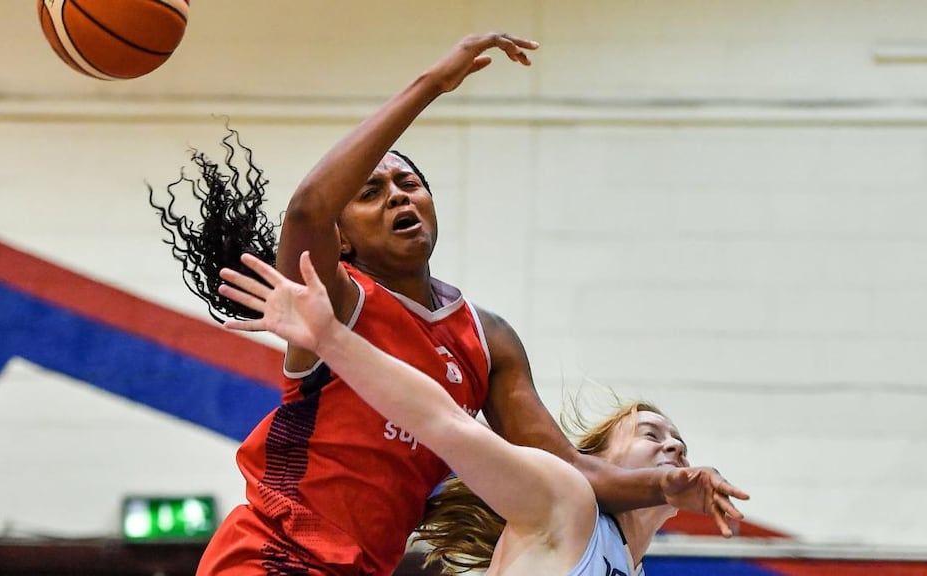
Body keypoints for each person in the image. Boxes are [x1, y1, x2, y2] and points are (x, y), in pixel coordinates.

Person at [150, 32, 748, 576]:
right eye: (370, 192)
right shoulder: (329, 298)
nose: (397, 197)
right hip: (274, 552)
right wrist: (432, 84)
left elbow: (572, 473)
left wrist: (670, 483)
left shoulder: (487, 338)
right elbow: (307, 209)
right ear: (343, 238)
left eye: (409, 184)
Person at [217, 250, 723, 576]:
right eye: (650, 434)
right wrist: (332, 338)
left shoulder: (630, 568)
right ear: (600, 458)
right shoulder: (566, 501)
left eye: (677, 439)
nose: (673, 447)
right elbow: (443, 421)